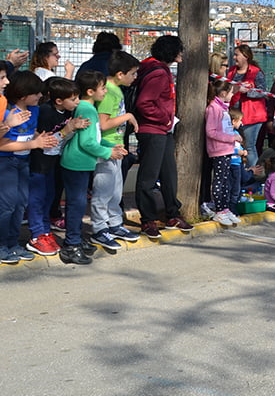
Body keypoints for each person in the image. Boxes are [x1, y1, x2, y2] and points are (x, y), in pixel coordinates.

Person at [62, 70, 129, 257]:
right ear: (91, 92)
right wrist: (108, 152)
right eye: (102, 88)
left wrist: (110, 145)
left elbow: (94, 138)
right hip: (76, 163)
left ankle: (75, 239)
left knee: (78, 203)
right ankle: (71, 243)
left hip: (82, 163)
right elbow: (87, 142)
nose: (105, 92)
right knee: (76, 204)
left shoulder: (86, 107)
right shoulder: (87, 109)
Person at [135, 35, 192, 239]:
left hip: (162, 130)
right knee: (149, 177)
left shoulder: (156, 68)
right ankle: (148, 219)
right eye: (179, 50)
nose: (181, 54)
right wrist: (165, 119)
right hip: (153, 130)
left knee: (169, 173)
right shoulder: (158, 73)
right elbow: (144, 103)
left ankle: (172, 213)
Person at [0, 72, 58, 264]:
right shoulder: (8, 112)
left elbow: (29, 133)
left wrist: (39, 138)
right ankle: (2, 246)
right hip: (7, 163)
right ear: (23, 95)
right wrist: (34, 144)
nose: (40, 97)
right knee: (7, 206)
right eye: (36, 94)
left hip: (23, 163)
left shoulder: (34, 110)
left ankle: (13, 243)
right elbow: (3, 144)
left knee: (20, 204)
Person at [27, 77, 87, 257]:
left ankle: (45, 232)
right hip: (39, 164)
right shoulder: (46, 112)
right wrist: (68, 129)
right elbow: (48, 142)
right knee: (37, 199)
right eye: (73, 99)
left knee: (49, 196)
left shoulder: (67, 112)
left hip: (53, 164)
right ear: (59, 100)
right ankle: (36, 235)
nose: (77, 102)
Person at [90, 52, 141, 246]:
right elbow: (103, 124)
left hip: (116, 146)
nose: (135, 78)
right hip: (105, 148)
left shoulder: (116, 90)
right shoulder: (108, 92)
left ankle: (114, 223)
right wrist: (127, 116)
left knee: (116, 190)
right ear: (120, 74)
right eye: (133, 74)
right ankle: (99, 228)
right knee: (103, 190)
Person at [206, 79, 244, 226]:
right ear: (223, 93)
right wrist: (231, 138)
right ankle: (219, 210)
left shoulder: (223, 108)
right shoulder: (213, 109)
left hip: (227, 149)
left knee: (225, 183)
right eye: (230, 92)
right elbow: (211, 132)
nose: (232, 94)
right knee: (219, 181)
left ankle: (225, 208)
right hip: (219, 150)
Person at [226, 44, 267, 168]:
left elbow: (263, 92)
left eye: (237, 55)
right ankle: (239, 173)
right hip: (234, 114)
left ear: (246, 56)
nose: (234, 57)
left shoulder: (256, 72)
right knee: (235, 145)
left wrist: (247, 91)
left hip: (252, 116)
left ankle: (253, 175)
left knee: (249, 146)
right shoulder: (232, 71)